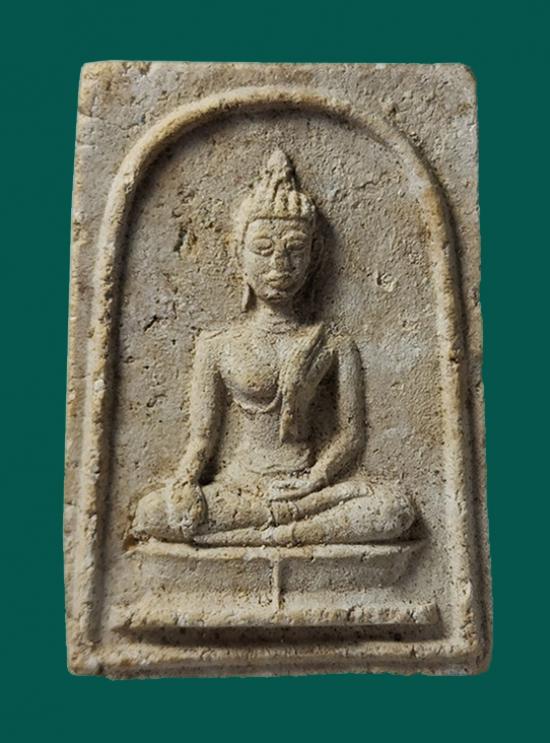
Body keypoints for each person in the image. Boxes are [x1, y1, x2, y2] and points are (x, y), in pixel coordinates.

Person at [133, 150, 414, 546]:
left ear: (313, 257)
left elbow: (351, 435)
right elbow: (202, 439)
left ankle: (278, 532)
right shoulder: (217, 345)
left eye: (295, 249)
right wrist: (185, 481)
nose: (279, 264)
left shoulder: (334, 343)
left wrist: (314, 481)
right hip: (239, 489)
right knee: (152, 512)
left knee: (394, 509)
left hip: (308, 491)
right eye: (263, 249)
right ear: (239, 256)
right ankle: (279, 529)